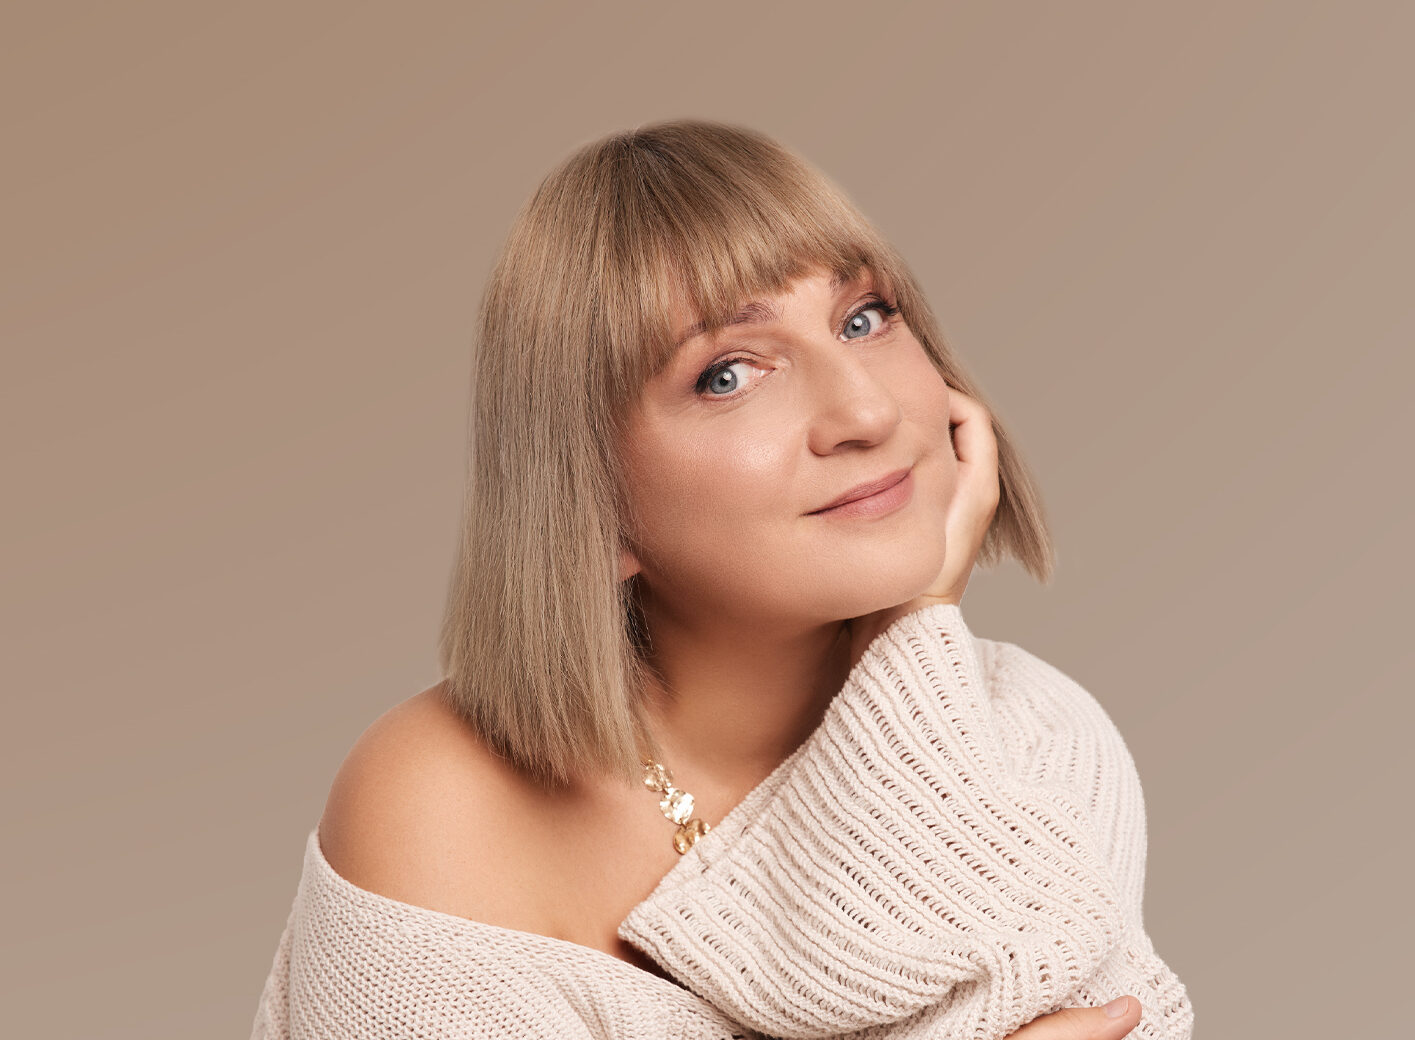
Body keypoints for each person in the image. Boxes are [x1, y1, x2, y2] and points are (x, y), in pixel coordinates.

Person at [249, 119, 1194, 1040]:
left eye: (863, 319)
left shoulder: (1032, 734)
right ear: (593, 505)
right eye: (728, 375)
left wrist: (915, 634)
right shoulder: (443, 802)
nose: (864, 411)